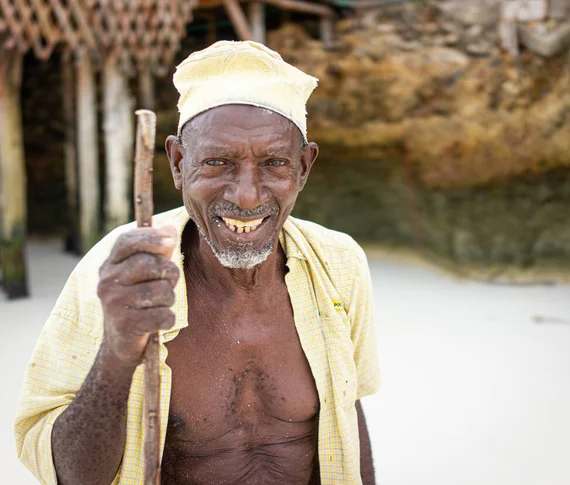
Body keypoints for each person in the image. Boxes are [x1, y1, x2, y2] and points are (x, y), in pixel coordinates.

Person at [15, 40, 381, 485]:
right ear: (177, 162)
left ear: (303, 168)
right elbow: (70, 475)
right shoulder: (117, 273)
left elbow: (348, 411)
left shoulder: (338, 265)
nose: (246, 196)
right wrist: (118, 349)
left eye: (275, 163)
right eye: (218, 162)